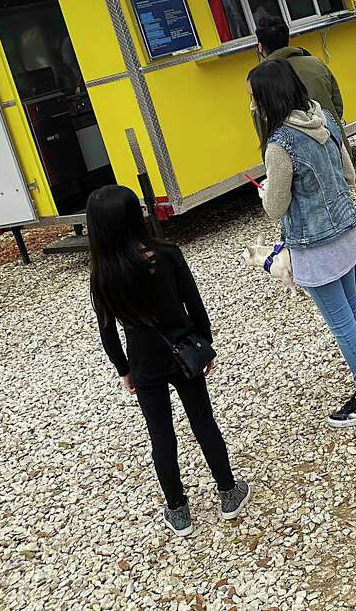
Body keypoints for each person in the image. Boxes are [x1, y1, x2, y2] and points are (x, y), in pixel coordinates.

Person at [87, 185, 250, 537]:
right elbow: (195, 303)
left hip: (144, 363)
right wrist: (205, 343)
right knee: (203, 421)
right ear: (135, 216)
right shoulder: (167, 253)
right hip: (183, 353)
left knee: (160, 434)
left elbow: (107, 332)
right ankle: (228, 492)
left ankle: (178, 509)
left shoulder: (103, 274)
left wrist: (124, 369)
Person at [249, 60, 356, 427]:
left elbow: (276, 208)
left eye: (254, 97)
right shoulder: (323, 120)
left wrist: (268, 191)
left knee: (339, 320)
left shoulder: (278, 145)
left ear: (268, 98)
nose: (252, 104)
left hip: (313, 242)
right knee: (353, 305)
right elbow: (349, 173)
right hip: (346, 231)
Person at [251, 16, 356, 295]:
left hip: (309, 228)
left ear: (260, 46)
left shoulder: (265, 81)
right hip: (332, 150)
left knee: (339, 315)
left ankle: (322, 278)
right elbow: (337, 101)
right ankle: (355, 273)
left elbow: (277, 206)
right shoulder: (315, 64)